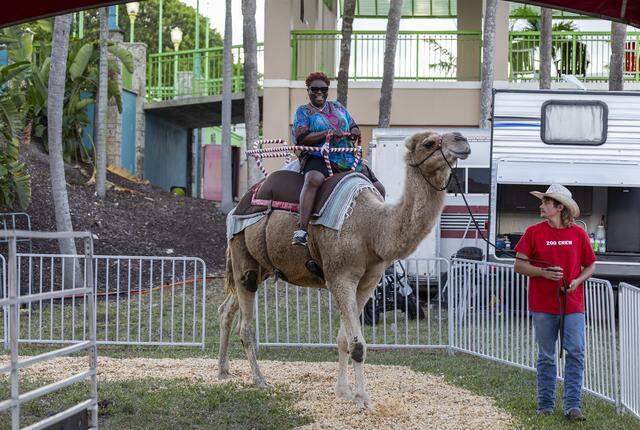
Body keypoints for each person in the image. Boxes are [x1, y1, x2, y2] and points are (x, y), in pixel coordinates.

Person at [514, 184, 596, 421]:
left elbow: (590, 265)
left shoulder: (578, 234)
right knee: (547, 356)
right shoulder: (533, 232)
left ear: (559, 207)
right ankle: (545, 405)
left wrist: (578, 280)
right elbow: (519, 265)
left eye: (546, 202)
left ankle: (573, 406)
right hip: (542, 305)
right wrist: (542, 273)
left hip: (573, 304)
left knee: (576, 352)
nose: (541, 206)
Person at [290, 71, 385, 246]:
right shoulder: (303, 112)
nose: (319, 92)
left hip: (346, 156)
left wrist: (355, 130)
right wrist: (328, 133)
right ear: (308, 90)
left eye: (323, 89)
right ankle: (302, 229)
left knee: (379, 188)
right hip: (319, 155)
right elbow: (301, 137)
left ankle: (378, 230)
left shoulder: (338, 107)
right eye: (315, 89)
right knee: (313, 179)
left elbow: (353, 124)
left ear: (327, 90)